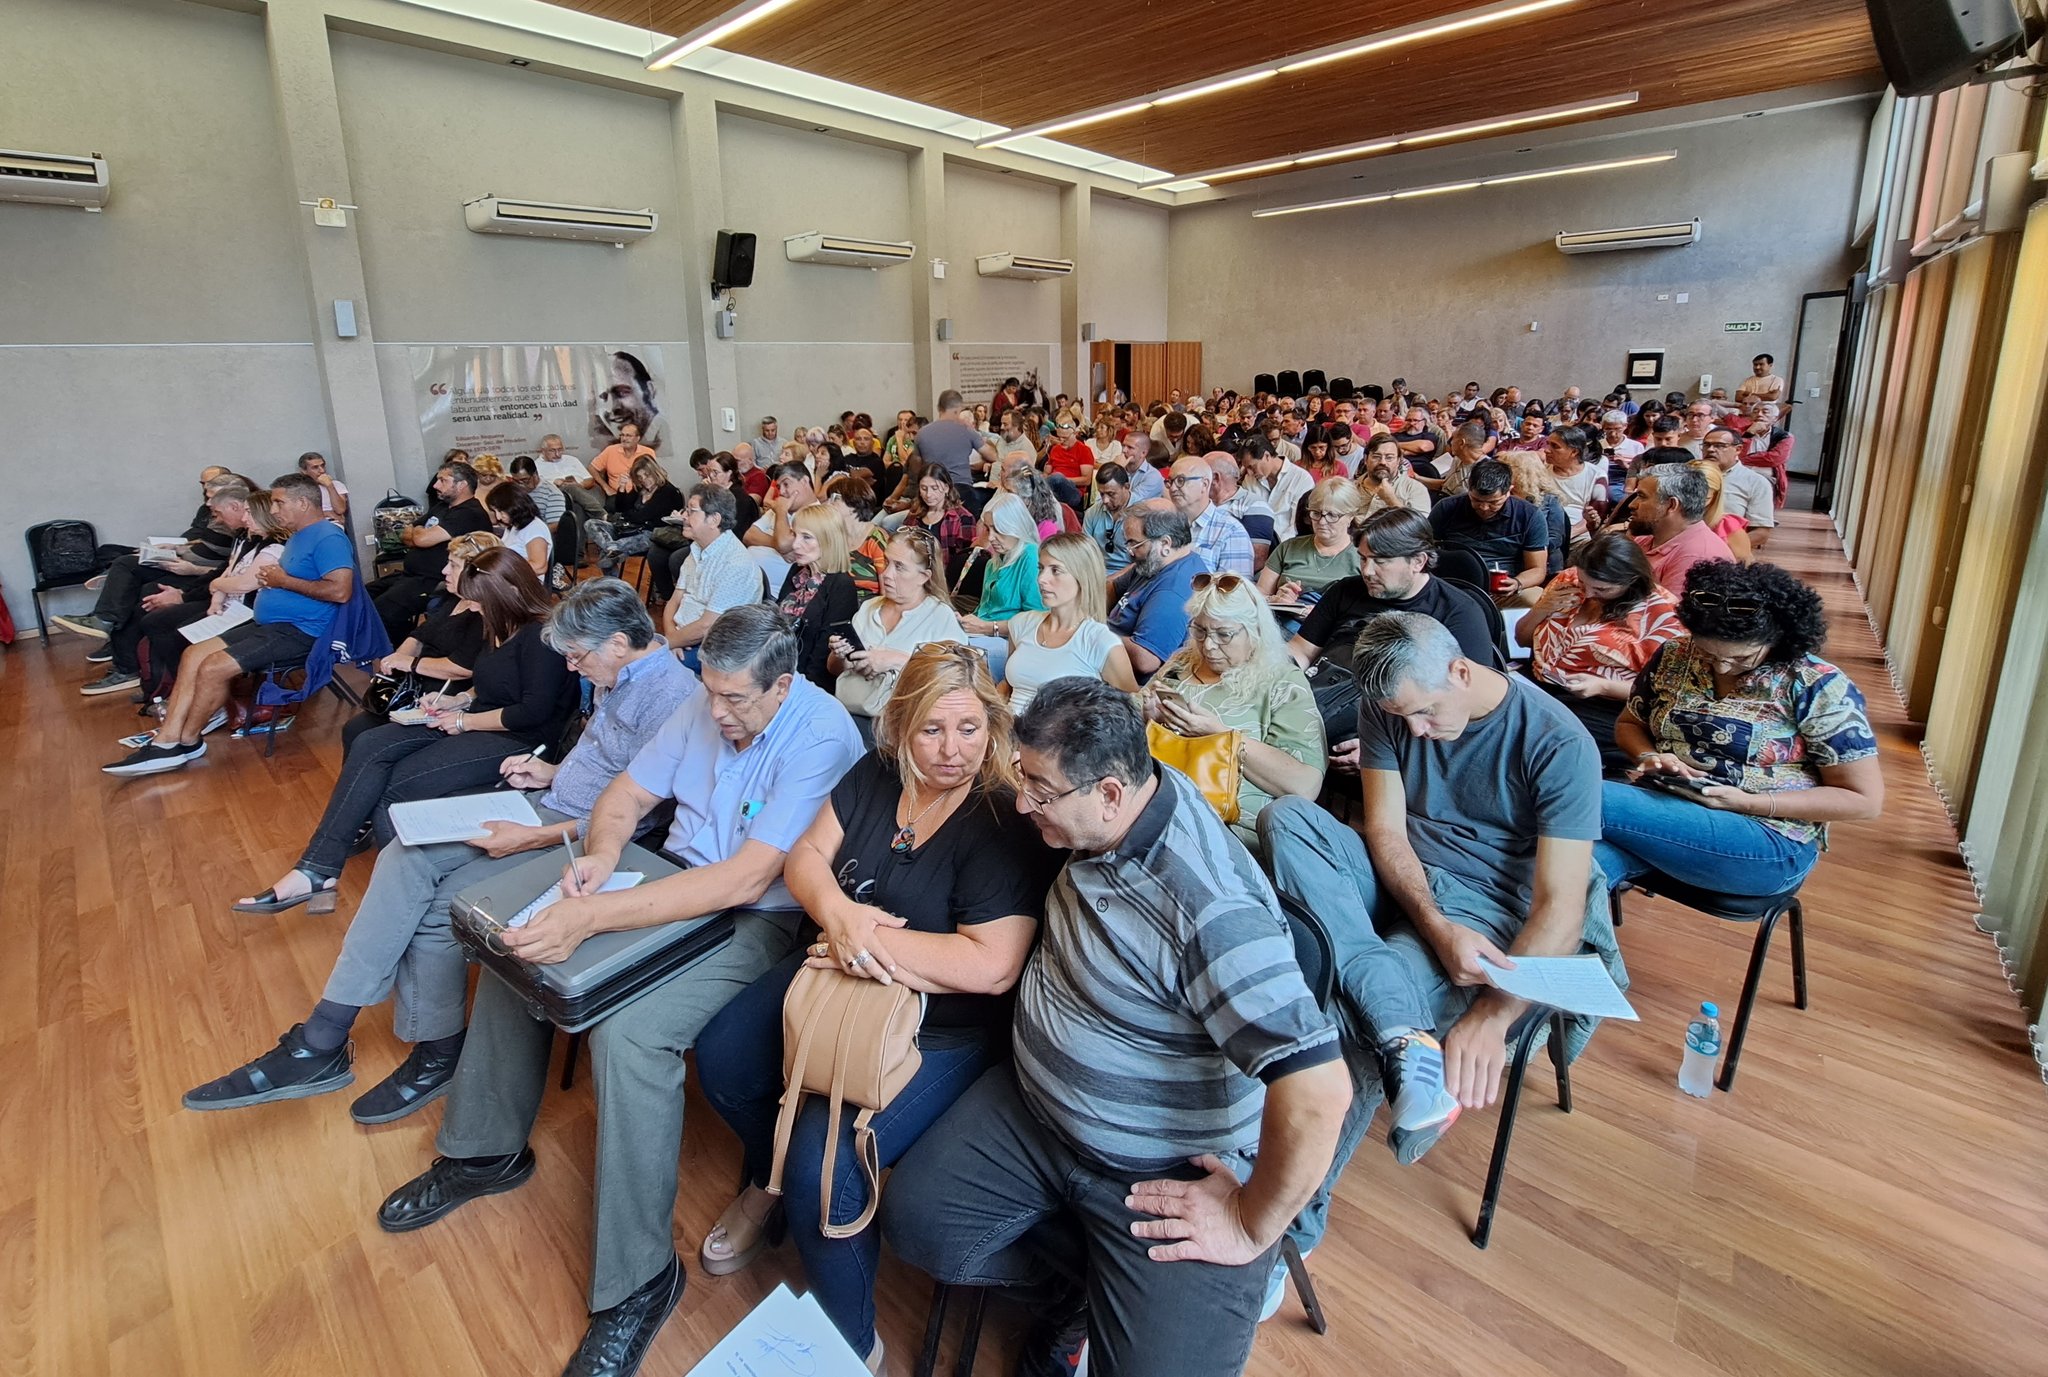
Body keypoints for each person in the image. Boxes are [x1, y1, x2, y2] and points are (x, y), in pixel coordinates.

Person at [375, 605, 862, 1377]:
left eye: (735, 698)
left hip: (754, 918)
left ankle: (639, 1281)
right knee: (522, 948)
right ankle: (485, 1152)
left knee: (630, 1035)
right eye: (710, 691)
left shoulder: (822, 734)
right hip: (662, 876)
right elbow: (625, 798)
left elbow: (745, 879)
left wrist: (594, 914)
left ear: (783, 685)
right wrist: (601, 857)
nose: (716, 711)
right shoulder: (709, 702)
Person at [882, 678, 1348, 1377]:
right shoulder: (1121, 798)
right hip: (1035, 1112)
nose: (1024, 802)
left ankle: (1109, 1303)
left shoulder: (1210, 912)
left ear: (1108, 792)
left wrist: (1250, 1220)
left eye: (1040, 791)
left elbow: (1320, 1092)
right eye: (1024, 779)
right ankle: (1072, 1301)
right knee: (919, 1224)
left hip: (1165, 1163)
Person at [180, 579, 697, 1120]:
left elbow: (639, 817)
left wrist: (532, 835)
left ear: (618, 642)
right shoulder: (619, 672)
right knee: (402, 854)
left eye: (577, 656)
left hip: (578, 839)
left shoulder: (669, 697)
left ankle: (430, 1052)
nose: (572, 667)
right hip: (546, 805)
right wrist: (551, 770)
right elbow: (601, 758)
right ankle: (324, 1034)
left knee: (441, 908)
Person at [693, 646, 1061, 1368]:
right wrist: (840, 918)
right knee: (724, 1060)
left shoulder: (1000, 817)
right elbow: (806, 858)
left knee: (824, 1170)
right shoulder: (878, 772)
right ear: (900, 727)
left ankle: (855, 1344)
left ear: (992, 726)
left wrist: (861, 944)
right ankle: (765, 1183)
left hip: (939, 1024)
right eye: (932, 730)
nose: (952, 750)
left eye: (969, 728)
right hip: (835, 975)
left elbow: (991, 967)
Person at [1256, 613, 1624, 1293]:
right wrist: (1430, 921)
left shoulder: (1558, 742)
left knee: (1342, 1021)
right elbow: (1386, 832)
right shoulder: (1388, 702)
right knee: (1286, 818)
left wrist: (1494, 1015)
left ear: (1460, 671)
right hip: (1406, 884)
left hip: (1483, 908)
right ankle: (1402, 1027)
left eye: (1426, 712)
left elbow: (1560, 907)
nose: (1418, 730)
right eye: (1406, 718)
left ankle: (1285, 1237)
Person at [229, 547, 575, 910]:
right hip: (479, 719)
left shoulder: (540, 637)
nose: (473, 608)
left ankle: (397, 894)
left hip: (520, 739)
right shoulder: (498, 624)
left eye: (478, 601)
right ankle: (317, 867)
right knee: (370, 742)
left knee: (397, 785)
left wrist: (464, 721)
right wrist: (458, 700)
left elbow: (531, 712)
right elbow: (493, 681)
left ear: (506, 594)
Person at [1597, 559, 1883, 897]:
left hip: (1765, 836)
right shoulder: (1675, 654)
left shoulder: (1815, 684)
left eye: (1742, 659)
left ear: (1777, 639)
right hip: (1665, 811)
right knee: (1572, 867)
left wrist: (1748, 802)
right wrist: (1648, 756)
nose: (1722, 667)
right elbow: (1629, 724)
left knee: (1576, 794)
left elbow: (1863, 800)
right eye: (1707, 654)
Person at [103, 474, 356, 777]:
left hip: (301, 631)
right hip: (272, 624)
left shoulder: (328, 537)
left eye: (279, 503)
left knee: (213, 667)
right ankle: (167, 738)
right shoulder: (299, 535)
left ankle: (186, 741)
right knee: (193, 654)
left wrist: (282, 581)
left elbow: (340, 591)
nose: (273, 510)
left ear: (302, 503)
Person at [1286, 510, 1500, 769]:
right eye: (1363, 558)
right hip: (1322, 700)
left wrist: (1381, 747)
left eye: (1380, 561)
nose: (1367, 571)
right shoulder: (1345, 590)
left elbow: (1464, 704)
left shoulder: (1459, 613)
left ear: (1418, 561)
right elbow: (1300, 651)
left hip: (1396, 728)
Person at [1147, 574, 1325, 848]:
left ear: (1254, 630)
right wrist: (1146, 718)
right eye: (1200, 631)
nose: (1208, 645)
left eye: (1223, 634)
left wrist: (1220, 735)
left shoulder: (1282, 681)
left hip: (1225, 828)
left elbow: (1305, 785)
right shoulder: (1181, 662)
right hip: (1154, 804)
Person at [1517, 532, 1682, 769]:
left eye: (1602, 589)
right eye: (1584, 583)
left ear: (1631, 581)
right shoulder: (1570, 580)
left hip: (1601, 703)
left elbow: (1666, 690)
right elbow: (1522, 640)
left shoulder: (1662, 614)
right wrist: (1541, 609)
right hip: (1538, 682)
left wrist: (1604, 686)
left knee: (1538, 735)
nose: (1588, 594)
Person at [830, 528, 965, 740]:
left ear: (924, 577)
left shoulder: (940, 616)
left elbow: (958, 675)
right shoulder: (869, 608)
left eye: (899, 567)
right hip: (847, 713)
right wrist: (841, 655)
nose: (886, 574)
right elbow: (834, 669)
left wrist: (895, 660)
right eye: (887, 562)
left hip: (900, 727)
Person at [1001, 532, 1137, 713]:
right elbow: (1008, 685)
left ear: (1082, 577)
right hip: (1009, 725)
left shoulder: (1100, 641)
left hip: (1061, 730)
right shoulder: (1021, 623)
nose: (1041, 579)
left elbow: (1131, 709)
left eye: (1055, 570)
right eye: (1041, 568)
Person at [369, 459, 492, 646]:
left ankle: (399, 652)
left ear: (462, 485)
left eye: (443, 481)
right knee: (364, 596)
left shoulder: (469, 513)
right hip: (410, 575)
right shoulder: (441, 507)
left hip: (433, 581)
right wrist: (419, 534)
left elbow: (420, 539)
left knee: (382, 611)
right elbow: (406, 532)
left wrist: (419, 534)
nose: (435, 485)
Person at [1429, 459, 1548, 606]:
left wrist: (1517, 583)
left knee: (1536, 598)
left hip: (1504, 588)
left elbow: (1537, 569)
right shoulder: (1446, 508)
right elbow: (1426, 549)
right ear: (1468, 488)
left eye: (1494, 503)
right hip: (1455, 586)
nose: (1484, 508)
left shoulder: (1529, 515)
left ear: (1509, 491)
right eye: (1476, 500)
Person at [1108, 506, 1206, 681]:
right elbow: (1112, 587)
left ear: (1165, 544)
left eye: (1134, 544)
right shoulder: (1155, 563)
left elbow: (1146, 660)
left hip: (1129, 682)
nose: (1130, 552)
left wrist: (1093, 630)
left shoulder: (1172, 591)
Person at [662, 487, 761, 657]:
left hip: (712, 650)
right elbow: (673, 601)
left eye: (692, 511)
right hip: (680, 638)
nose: (684, 516)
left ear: (714, 520)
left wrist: (667, 644)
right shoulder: (697, 549)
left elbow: (707, 626)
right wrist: (671, 639)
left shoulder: (735, 564)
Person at [958, 494, 1043, 679]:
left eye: (998, 530)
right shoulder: (993, 562)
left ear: (1015, 527)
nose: (991, 537)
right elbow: (985, 610)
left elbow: (1037, 620)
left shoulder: (1031, 556)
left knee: (955, 658)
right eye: (988, 529)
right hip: (985, 635)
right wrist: (966, 621)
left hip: (1010, 641)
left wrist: (989, 627)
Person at [778, 504, 861, 689]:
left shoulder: (841, 585)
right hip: (777, 668)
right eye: (795, 535)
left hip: (805, 685)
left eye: (806, 537)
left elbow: (823, 655)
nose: (795, 544)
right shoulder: (798, 571)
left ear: (828, 541)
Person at [1630, 463, 1736, 596]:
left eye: (1642, 496)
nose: (1632, 504)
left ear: (1671, 505)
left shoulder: (1695, 556)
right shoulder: (1646, 540)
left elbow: (1667, 609)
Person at [1259, 477, 1363, 605]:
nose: (1322, 522)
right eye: (1316, 513)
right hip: (1284, 615)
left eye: (1332, 515)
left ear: (1350, 517)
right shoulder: (1288, 548)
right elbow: (1260, 594)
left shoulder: (1362, 555)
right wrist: (1274, 599)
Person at [587, 455, 682, 577]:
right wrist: (622, 488)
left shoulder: (668, 491)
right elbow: (621, 508)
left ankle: (613, 573)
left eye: (647, 475)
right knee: (591, 524)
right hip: (629, 529)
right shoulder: (640, 489)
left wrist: (620, 517)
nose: (644, 480)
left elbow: (642, 516)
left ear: (655, 472)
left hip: (651, 534)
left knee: (607, 553)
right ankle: (612, 550)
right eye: (640, 477)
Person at [1167, 455, 1254, 577]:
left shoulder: (1231, 531)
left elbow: (1236, 587)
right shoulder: (1163, 524)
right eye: (1170, 482)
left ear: (1204, 484)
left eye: (1180, 481)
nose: (1172, 488)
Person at [1704, 426, 1777, 546]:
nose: (1710, 449)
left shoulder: (1756, 482)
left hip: (1728, 551)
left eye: (1719, 445)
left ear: (1738, 449)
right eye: (1706, 445)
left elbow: (1761, 533)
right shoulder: (1689, 475)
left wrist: (1722, 549)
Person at [901, 465, 976, 580]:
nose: (928, 494)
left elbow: (963, 560)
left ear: (946, 488)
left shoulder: (963, 518)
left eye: (934, 488)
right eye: (923, 488)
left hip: (946, 578)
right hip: (914, 575)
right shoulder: (915, 514)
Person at [916, 390, 995, 487]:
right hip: (961, 487)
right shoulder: (966, 430)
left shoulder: (922, 433)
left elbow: (915, 466)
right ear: (958, 409)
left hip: (933, 488)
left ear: (939, 408)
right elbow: (992, 456)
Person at [484, 480, 552, 577]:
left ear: (514, 507)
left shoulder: (535, 528)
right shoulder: (514, 525)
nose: (498, 517)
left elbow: (539, 567)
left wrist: (501, 568)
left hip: (524, 582)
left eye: (500, 511)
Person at [1354, 432, 1431, 516]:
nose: (1382, 462)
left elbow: (1420, 523)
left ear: (1398, 461)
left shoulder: (1415, 489)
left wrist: (1391, 500)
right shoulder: (1351, 488)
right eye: (1376, 456)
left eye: (1389, 457)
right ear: (1366, 459)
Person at [1081, 462, 1137, 575]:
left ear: (1126, 487)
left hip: (1130, 575)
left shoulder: (1142, 513)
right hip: (1098, 571)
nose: (1105, 500)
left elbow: (1144, 561)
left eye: (1111, 494)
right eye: (1102, 494)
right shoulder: (1092, 512)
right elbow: (1085, 551)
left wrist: (1114, 579)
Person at [509, 454, 566, 527]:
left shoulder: (552, 494)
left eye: (524, 480)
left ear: (535, 474)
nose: (520, 484)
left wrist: (533, 532)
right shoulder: (514, 491)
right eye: (516, 481)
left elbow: (555, 525)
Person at [298, 451, 349, 522]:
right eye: (315, 467)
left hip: (332, 523)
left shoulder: (336, 485)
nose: (322, 470)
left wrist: (329, 486)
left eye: (322, 466)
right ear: (304, 471)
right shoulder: (299, 488)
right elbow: (299, 514)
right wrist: (327, 513)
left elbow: (340, 510)